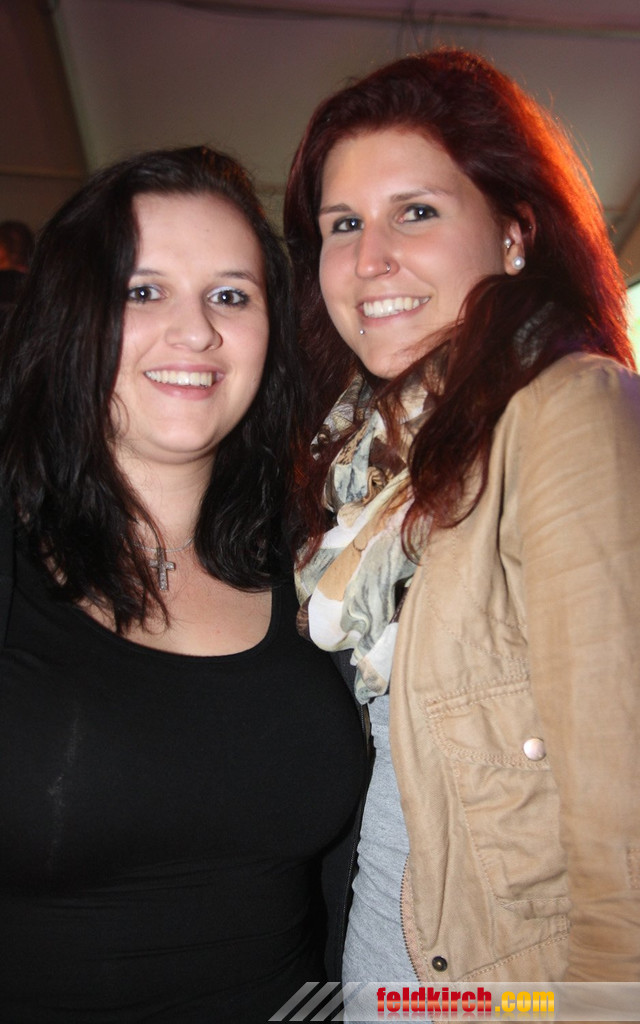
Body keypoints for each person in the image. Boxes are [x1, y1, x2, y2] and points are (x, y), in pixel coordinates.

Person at [284, 47, 640, 990]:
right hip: (388, 973)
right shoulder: (375, 468)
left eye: (415, 212)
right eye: (344, 224)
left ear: (513, 234)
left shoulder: (576, 417)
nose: (369, 258)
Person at [0, 146, 364, 1021]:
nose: (195, 331)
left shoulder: (320, 562)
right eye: (143, 290)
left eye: (230, 296)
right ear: (71, 315)